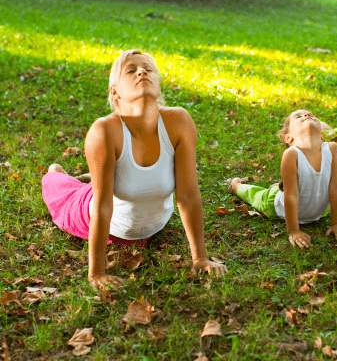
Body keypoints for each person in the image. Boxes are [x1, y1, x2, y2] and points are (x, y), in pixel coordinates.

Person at [42, 49, 227, 289]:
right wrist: (96, 274)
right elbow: (102, 205)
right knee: (55, 183)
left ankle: (95, 176)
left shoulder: (179, 121)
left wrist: (200, 258)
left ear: (158, 86)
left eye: (148, 69)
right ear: (115, 91)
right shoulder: (104, 131)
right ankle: (59, 174)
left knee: (114, 180)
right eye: (131, 70)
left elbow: (188, 195)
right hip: (93, 216)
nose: (142, 71)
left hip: (152, 226)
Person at [228, 109, 337, 248]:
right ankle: (236, 185)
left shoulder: (333, 149)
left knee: (292, 185)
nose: (307, 115)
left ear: (322, 136)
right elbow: (291, 194)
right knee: (256, 196)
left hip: (319, 211)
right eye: (298, 116)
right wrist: (294, 231)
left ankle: (281, 184)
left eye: (311, 115)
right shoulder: (291, 154)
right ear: (288, 138)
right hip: (280, 208)